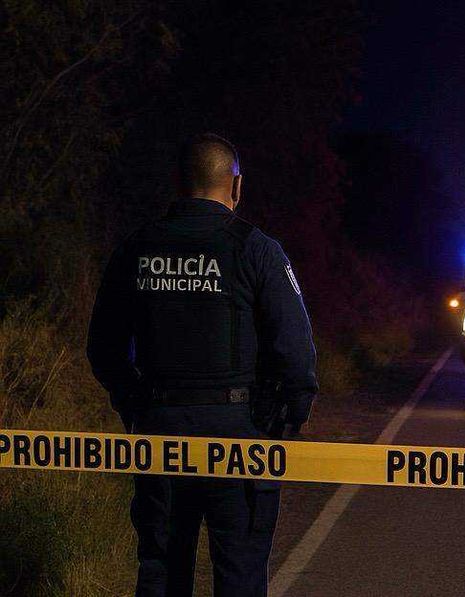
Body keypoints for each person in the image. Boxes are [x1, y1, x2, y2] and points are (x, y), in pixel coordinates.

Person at [87, 133, 318, 596]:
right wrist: (278, 425)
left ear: (177, 182)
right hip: (238, 438)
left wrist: (135, 406)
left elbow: (103, 348)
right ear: (236, 187)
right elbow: (296, 357)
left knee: (161, 573)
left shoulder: (137, 247)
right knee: (240, 575)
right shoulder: (257, 250)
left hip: (161, 435)